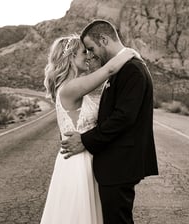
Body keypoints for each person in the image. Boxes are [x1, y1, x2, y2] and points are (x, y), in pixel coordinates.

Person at [61, 19, 159, 224]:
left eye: (91, 48)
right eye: (85, 51)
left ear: (104, 39)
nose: (90, 55)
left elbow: (123, 117)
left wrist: (85, 140)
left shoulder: (131, 69)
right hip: (114, 164)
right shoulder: (122, 68)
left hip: (120, 164)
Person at [40, 33, 140, 224]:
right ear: (70, 57)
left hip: (84, 155)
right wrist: (130, 52)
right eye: (83, 52)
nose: (88, 56)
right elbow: (110, 70)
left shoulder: (73, 86)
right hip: (78, 162)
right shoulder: (70, 88)